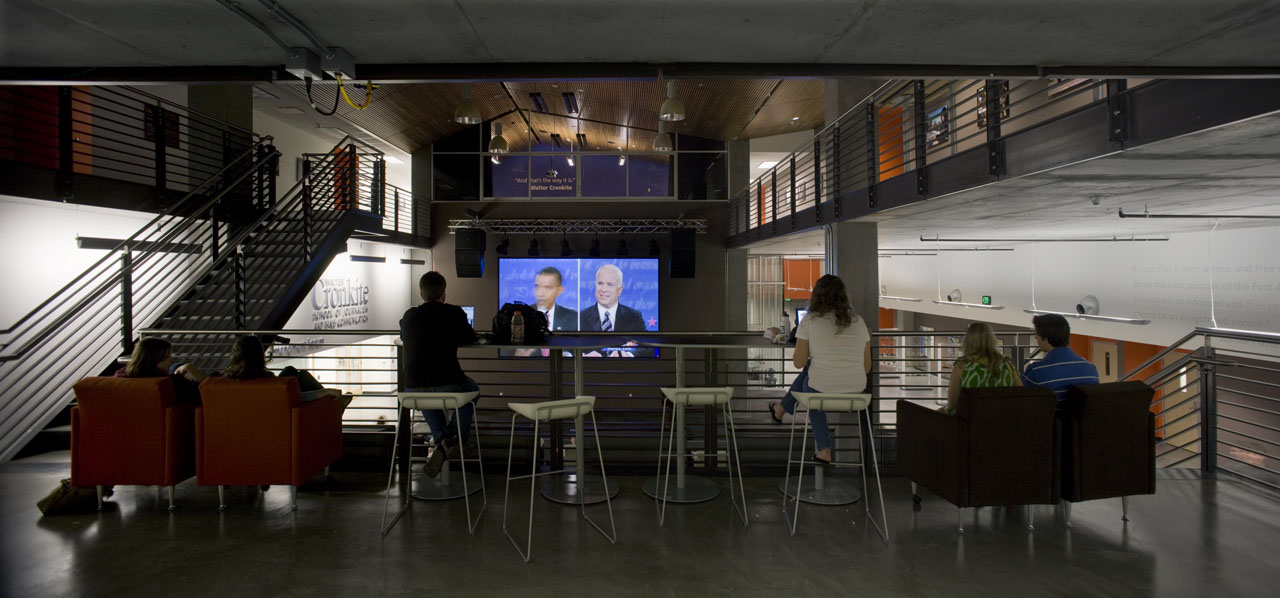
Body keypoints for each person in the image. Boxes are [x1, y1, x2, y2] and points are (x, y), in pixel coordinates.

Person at [769, 275, 871, 466]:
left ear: (816, 296)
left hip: (820, 392)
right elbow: (867, 367)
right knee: (811, 371)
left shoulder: (810, 320)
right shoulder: (859, 321)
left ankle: (823, 449)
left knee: (810, 376)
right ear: (844, 297)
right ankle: (781, 409)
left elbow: (798, 362)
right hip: (858, 393)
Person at [400, 271, 479, 478]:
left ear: (421, 292)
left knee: (425, 397)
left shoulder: (409, 316)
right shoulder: (454, 313)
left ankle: (443, 441)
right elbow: (469, 337)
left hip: (411, 389)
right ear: (444, 293)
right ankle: (454, 442)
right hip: (448, 383)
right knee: (472, 390)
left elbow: (403, 336)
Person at [221, 336, 346, 405]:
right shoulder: (271, 384)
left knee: (290, 370)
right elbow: (298, 397)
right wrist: (325, 392)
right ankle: (336, 405)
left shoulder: (224, 381)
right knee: (300, 375)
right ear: (259, 356)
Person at [945, 322, 1022, 412]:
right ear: (992, 340)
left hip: (972, 421)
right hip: (1003, 420)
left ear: (968, 341)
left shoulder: (962, 366)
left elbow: (952, 403)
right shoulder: (1007, 365)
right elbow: (1021, 395)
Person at [1022, 313, 1099, 403]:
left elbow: (1023, 400)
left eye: (1037, 336)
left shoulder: (1036, 371)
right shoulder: (1091, 368)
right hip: (1078, 417)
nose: (1035, 338)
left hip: (1049, 416)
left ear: (1046, 339)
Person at [115, 337, 206, 403]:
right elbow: (208, 392)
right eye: (167, 357)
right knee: (182, 368)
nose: (171, 360)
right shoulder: (172, 382)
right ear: (153, 359)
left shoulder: (121, 375)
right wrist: (191, 368)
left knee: (176, 366)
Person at [579, 263, 646, 332]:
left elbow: (642, 341)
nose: (603, 289)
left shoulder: (634, 317)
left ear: (619, 290)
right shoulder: (580, 317)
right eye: (600, 283)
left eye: (610, 284)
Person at [533, 266, 578, 331]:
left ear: (559, 291)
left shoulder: (573, 318)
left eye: (547, 288)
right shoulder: (523, 315)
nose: (540, 293)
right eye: (536, 286)